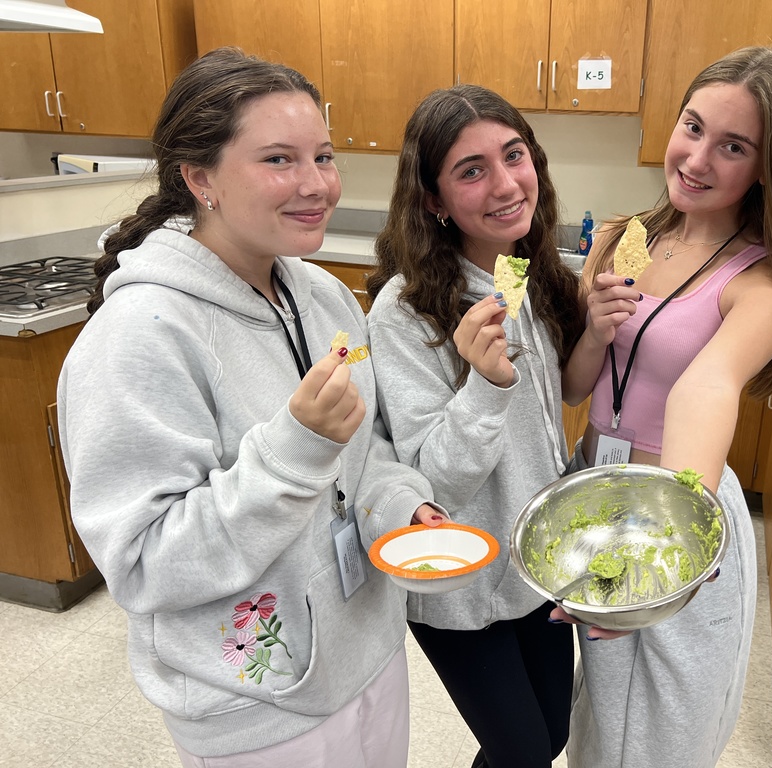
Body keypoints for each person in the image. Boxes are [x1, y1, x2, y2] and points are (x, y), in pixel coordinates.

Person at [57, 47, 444, 768]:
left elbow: (370, 451)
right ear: (199, 178)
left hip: (367, 653)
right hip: (256, 702)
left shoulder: (322, 295)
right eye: (278, 160)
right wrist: (295, 451)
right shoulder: (138, 337)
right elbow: (143, 564)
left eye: (322, 156)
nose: (317, 184)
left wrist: (401, 505)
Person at [555, 46, 772, 767]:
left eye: (733, 146)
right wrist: (594, 329)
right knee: (601, 717)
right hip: (591, 502)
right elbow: (577, 388)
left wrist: (665, 553)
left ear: (768, 166)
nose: (697, 159)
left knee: (662, 737)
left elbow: (707, 386)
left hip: (676, 512)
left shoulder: (760, 287)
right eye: (692, 127)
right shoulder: (626, 239)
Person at [364, 84, 586, 768]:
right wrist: (485, 388)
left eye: (514, 155)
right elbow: (432, 483)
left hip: (535, 562)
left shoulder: (522, 274)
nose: (506, 183)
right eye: (471, 170)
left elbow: (547, 414)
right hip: (461, 583)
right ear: (433, 200)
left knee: (550, 736)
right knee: (522, 754)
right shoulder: (403, 313)